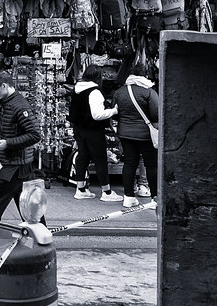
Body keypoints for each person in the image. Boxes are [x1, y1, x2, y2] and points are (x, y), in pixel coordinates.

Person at [0, 70, 43, 222]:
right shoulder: (8, 103)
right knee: (27, 206)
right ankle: (40, 236)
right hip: (18, 164)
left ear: (5, 86)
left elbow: (35, 134)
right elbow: (10, 129)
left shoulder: (19, 106)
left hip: (16, 166)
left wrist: (7, 143)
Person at [67, 64, 123, 202]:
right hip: (93, 130)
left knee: (83, 157)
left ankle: (80, 189)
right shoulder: (95, 91)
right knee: (100, 160)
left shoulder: (78, 89)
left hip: (79, 129)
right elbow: (97, 115)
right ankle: (107, 192)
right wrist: (113, 111)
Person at [112, 63, 160, 209]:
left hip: (125, 134)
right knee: (151, 165)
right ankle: (154, 198)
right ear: (145, 75)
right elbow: (156, 113)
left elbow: (115, 114)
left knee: (129, 163)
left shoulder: (119, 92)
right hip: (145, 135)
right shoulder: (148, 92)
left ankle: (128, 197)